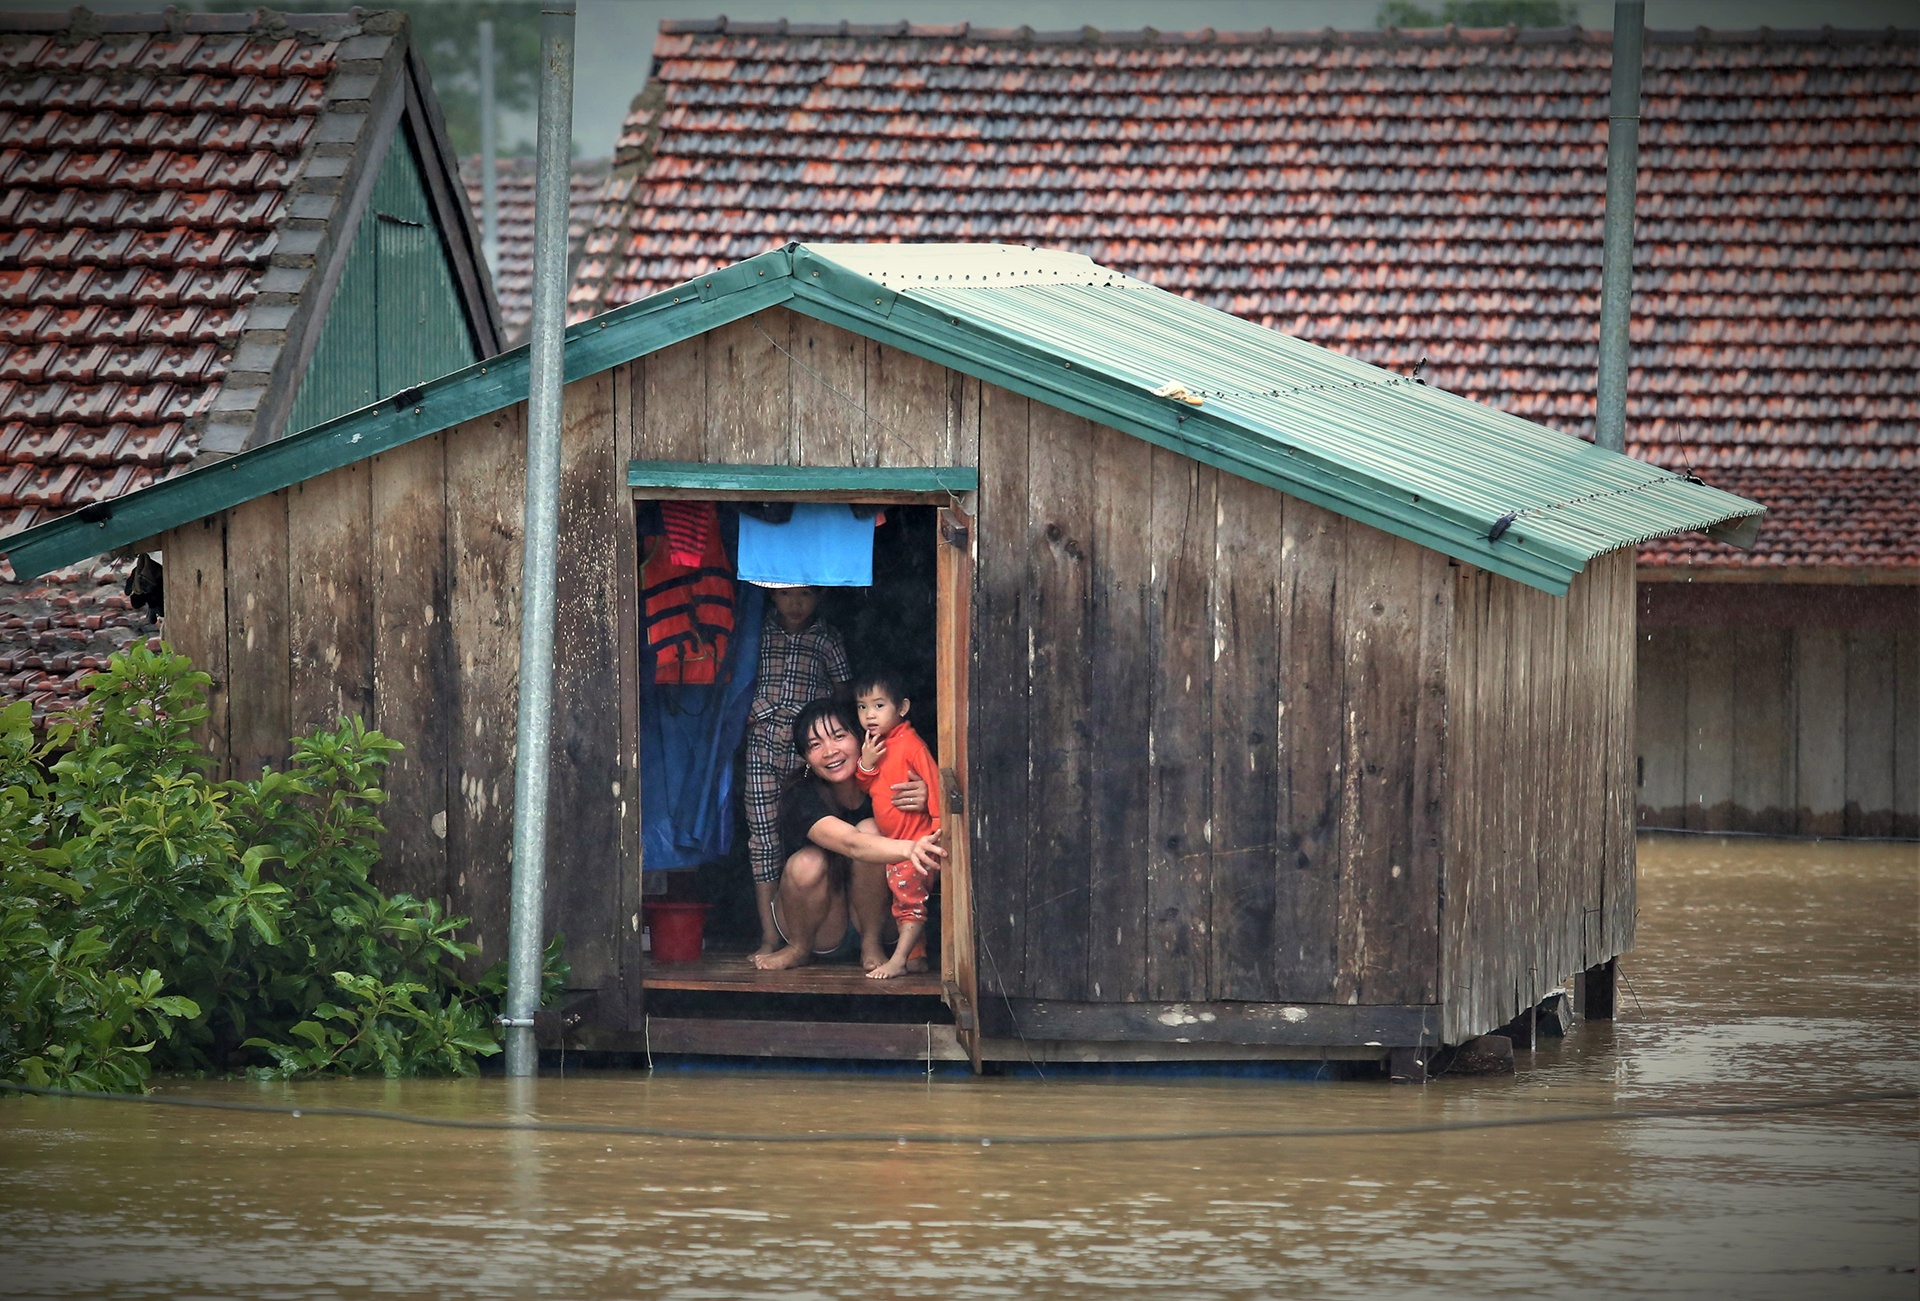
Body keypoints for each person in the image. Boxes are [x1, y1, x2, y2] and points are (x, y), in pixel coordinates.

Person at [753, 699, 943, 972]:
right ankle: (798, 947)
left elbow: (941, 813)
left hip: (881, 916)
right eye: (815, 745)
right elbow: (851, 843)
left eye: (839, 736)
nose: (830, 751)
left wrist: (930, 798)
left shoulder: (893, 775)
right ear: (805, 758)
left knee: (871, 829)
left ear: (863, 737)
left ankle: (870, 943)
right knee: (809, 862)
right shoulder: (802, 793)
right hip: (823, 922)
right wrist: (911, 848)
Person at [744, 586, 849, 956]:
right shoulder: (756, 632)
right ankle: (770, 937)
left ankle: (810, 932)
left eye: (804, 593)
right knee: (763, 840)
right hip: (761, 745)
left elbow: (842, 693)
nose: (795, 602)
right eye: (785, 593)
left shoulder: (827, 638)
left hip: (808, 752)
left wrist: (827, 738)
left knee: (812, 837)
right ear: (771, 596)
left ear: (820, 595)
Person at [853, 669, 942, 979]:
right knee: (903, 900)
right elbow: (865, 786)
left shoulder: (911, 745)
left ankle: (899, 960)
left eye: (879, 706)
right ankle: (917, 957)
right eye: (862, 707)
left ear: (902, 708)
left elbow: (935, 786)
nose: (869, 715)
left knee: (908, 904)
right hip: (897, 844)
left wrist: (938, 833)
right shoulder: (877, 744)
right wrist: (865, 762)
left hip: (917, 843)